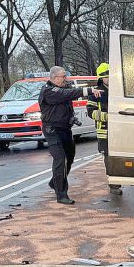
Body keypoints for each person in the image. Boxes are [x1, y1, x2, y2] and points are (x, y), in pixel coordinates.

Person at [39, 66, 98, 205]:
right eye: (63, 76)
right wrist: (88, 90)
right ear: (54, 78)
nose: (66, 79)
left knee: (69, 158)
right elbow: (66, 94)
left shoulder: (64, 87)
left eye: (66, 76)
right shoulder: (48, 91)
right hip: (52, 130)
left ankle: (55, 182)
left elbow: (69, 94)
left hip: (65, 129)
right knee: (60, 159)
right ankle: (61, 194)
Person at [85, 62, 122, 196]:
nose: (109, 78)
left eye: (110, 76)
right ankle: (114, 185)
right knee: (109, 158)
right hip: (104, 130)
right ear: (101, 78)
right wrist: (108, 116)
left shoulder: (119, 90)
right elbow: (90, 112)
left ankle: (119, 179)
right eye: (106, 76)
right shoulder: (96, 93)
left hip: (119, 129)